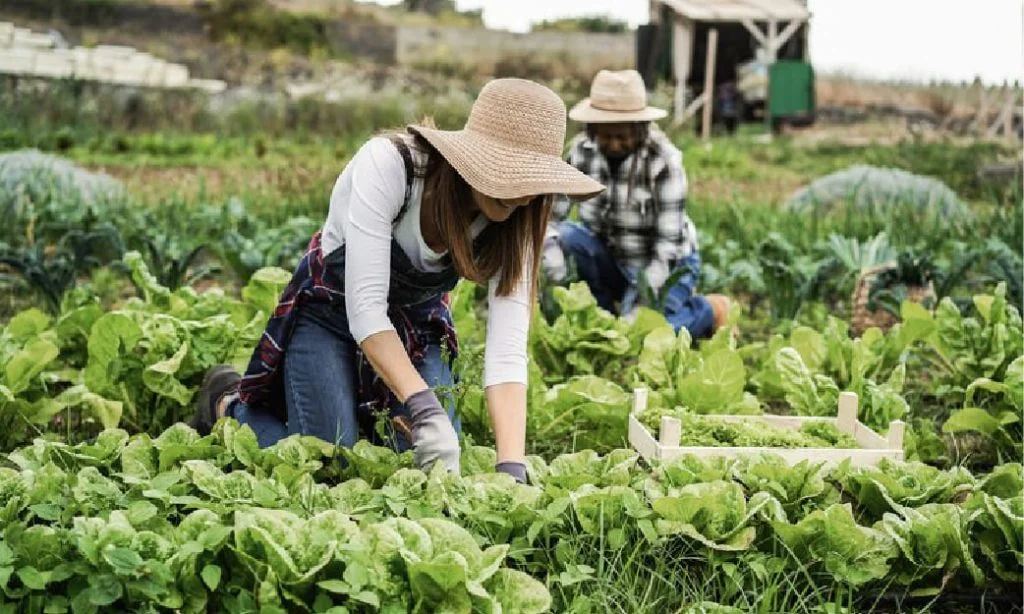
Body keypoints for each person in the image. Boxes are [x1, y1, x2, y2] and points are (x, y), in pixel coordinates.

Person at [189, 79, 604, 483]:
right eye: (508, 171)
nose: (521, 195)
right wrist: (423, 405)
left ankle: (360, 412)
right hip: (330, 313)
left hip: (415, 325)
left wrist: (512, 465)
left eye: (532, 179)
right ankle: (227, 402)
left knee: (427, 466)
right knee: (330, 463)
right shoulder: (393, 166)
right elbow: (365, 308)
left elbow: (507, 350)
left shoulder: (519, 221)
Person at [542, 69, 730, 338]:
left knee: (640, 337)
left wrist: (637, 310)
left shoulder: (663, 161)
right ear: (593, 129)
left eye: (623, 136)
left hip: (667, 266)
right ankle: (605, 315)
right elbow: (551, 218)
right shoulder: (581, 152)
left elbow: (667, 248)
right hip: (614, 258)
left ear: (640, 128)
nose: (615, 144)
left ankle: (709, 311)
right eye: (606, 136)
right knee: (571, 236)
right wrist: (554, 265)